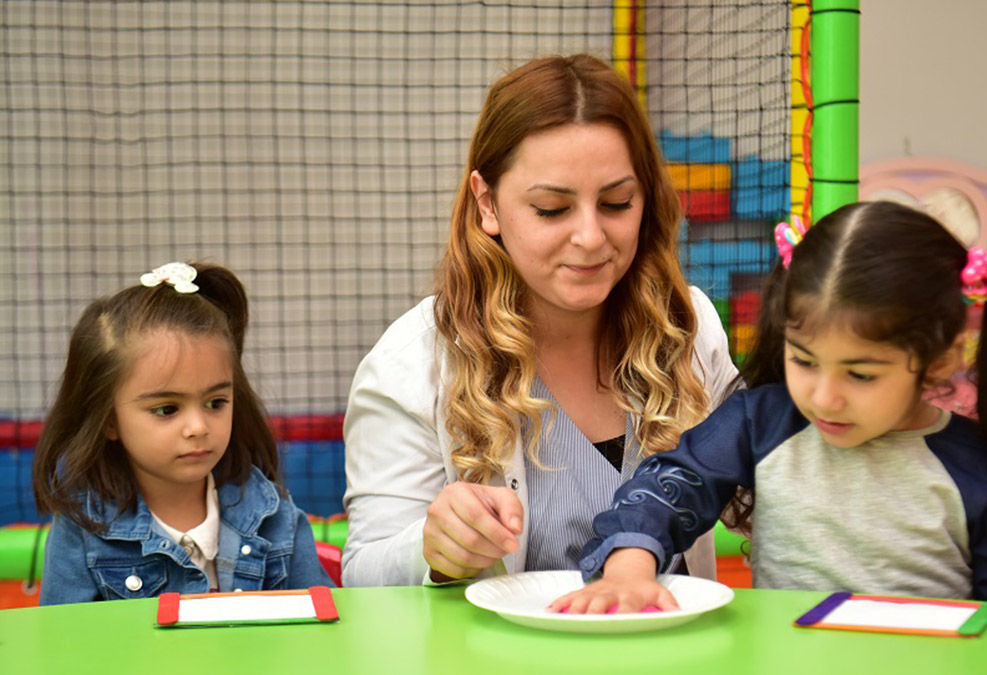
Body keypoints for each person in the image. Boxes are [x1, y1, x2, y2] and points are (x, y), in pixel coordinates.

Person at [551, 201, 987, 621]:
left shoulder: (971, 466)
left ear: (938, 360)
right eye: (805, 361)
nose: (825, 396)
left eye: (860, 374)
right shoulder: (765, 422)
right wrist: (631, 560)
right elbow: (673, 481)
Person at [341, 54, 740, 586]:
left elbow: (764, 497)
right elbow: (364, 575)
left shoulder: (688, 330)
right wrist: (431, 549)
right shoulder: (411, 364)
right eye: (552, 209)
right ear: (488, 204)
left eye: (618, 202)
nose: (592, 237)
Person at [34, 262, 331, 604]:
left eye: (216, 402)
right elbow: (67, 644)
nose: (198, 428)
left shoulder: (273, 514)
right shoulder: (84, 526)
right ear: (109, 421)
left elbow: (321, 625)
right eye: (167, 409)